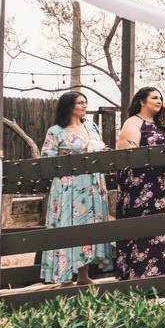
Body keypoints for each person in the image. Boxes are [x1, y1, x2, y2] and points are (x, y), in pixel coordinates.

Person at [39, 92, 114, 284]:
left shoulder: (92, 126)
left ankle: (83, 276)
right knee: (68, 225)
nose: (84, 105)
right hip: (68, 186)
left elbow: (101, 148)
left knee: (88, 227)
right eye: (80, 102)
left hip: (93, 184)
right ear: (69, 106)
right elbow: (47, 158)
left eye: (85, 102)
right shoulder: (56, 131)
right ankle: (64, 278)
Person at [115, 87, 165, 279]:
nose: (159, 101)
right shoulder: (134, 122)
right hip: (144, 188)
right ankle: (142, 277)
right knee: (146, 232)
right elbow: (126, 151)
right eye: (155, 97)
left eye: (161, 98)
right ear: (141, 101)